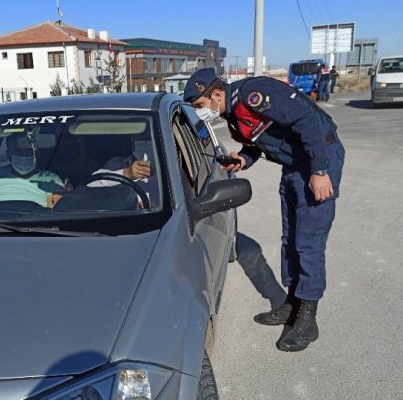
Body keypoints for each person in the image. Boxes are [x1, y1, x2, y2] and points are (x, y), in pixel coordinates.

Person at [183, 67, 345, 352]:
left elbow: (307, 121)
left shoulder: (253, 94)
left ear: (216, 94)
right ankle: (292, 304)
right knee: (290, 237)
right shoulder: (233, 115)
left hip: (319, 156)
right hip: (295, 165)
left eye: (200, 105)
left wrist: (319, 170)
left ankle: (308, 319)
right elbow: (259, 142)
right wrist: (243, 160)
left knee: (308, 241)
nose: (200, 112)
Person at [0, 132, 66, 209]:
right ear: (9, 155)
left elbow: (56, 212)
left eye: (27, 151)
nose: (23, 155)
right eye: (18, 151)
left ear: (36, 154)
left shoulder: (51, 179)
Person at [87, 128, 160, 208]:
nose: (144, 142)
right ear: (132, 141)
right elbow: (90, 186)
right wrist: (127, 174)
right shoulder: (116, 163)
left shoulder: (166, 168)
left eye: (147, 138)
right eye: (140, 138)